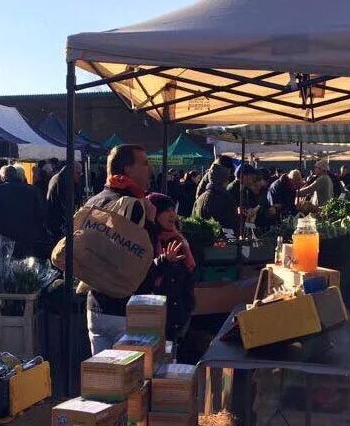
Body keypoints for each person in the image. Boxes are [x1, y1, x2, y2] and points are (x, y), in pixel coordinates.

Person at [84, 144, 169, 353]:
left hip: (95, 305)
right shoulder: (134, 205)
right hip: (126, 307)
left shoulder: (95, 201)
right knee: (129, 372)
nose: (150, 169)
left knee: (101, 371)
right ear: (128, 169)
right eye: (144, 163)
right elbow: (143, 256)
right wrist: (151, 222)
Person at [145, 192, 196, 341]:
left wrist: (188, 307)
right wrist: (163, 261)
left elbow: (188, 274)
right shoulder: (147, 239)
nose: (173, 215)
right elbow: (144, 277)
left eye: (173, 210)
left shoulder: (179, 238)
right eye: (167, 211)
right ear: (155, 214)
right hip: (155, 313)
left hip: (179, 314)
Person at [0, 165, 45, 259]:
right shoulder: (32, 190)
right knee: (25, 263)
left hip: (4, 236)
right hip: (27, 237)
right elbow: (41, 213)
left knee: (6, 262)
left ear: (4, 177)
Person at [193, 163, 238, 232]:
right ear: (224, 180)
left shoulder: (200, 198)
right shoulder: (225, 198)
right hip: (221, 236)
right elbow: (230, 224)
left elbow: (193, 221)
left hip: (201, 237)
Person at [46, 161, 83, 242]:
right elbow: (65, 206)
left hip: (53, 221)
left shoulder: (59, 177)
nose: (80, 176)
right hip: (59, 224)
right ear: (71, 171)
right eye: (78, 173)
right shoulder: (64, 181)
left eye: (81, 173)